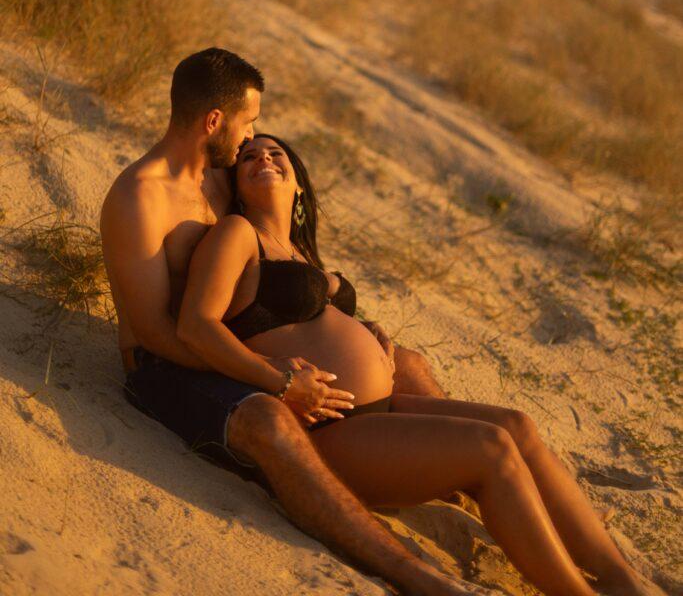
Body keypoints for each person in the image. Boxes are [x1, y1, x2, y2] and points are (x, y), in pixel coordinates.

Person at [177, 132, 660, 596]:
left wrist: (367, 332)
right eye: (249, 158)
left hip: (379, 411)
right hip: (325, 428)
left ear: (298, 182)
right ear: (236, 185)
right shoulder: (239, 235)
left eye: (275, 153)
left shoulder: (300, 250)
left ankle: (621, 578)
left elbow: (309, 319)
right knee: (490, 449)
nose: (263, 159)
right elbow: (197, 326)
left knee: (519, 426)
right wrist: (278, 377)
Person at [101, 48, 465, 596]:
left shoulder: (222, 178)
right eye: (248, 121)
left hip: (230, 342)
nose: (254, 136)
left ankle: (464, 473)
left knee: (406, 364)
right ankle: (413, 574)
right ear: (214, 121)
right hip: (167, 364)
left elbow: (278, 259)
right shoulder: (138, 198)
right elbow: (156, 333)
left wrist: (352, 322)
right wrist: (268, 373)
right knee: (269, 421)